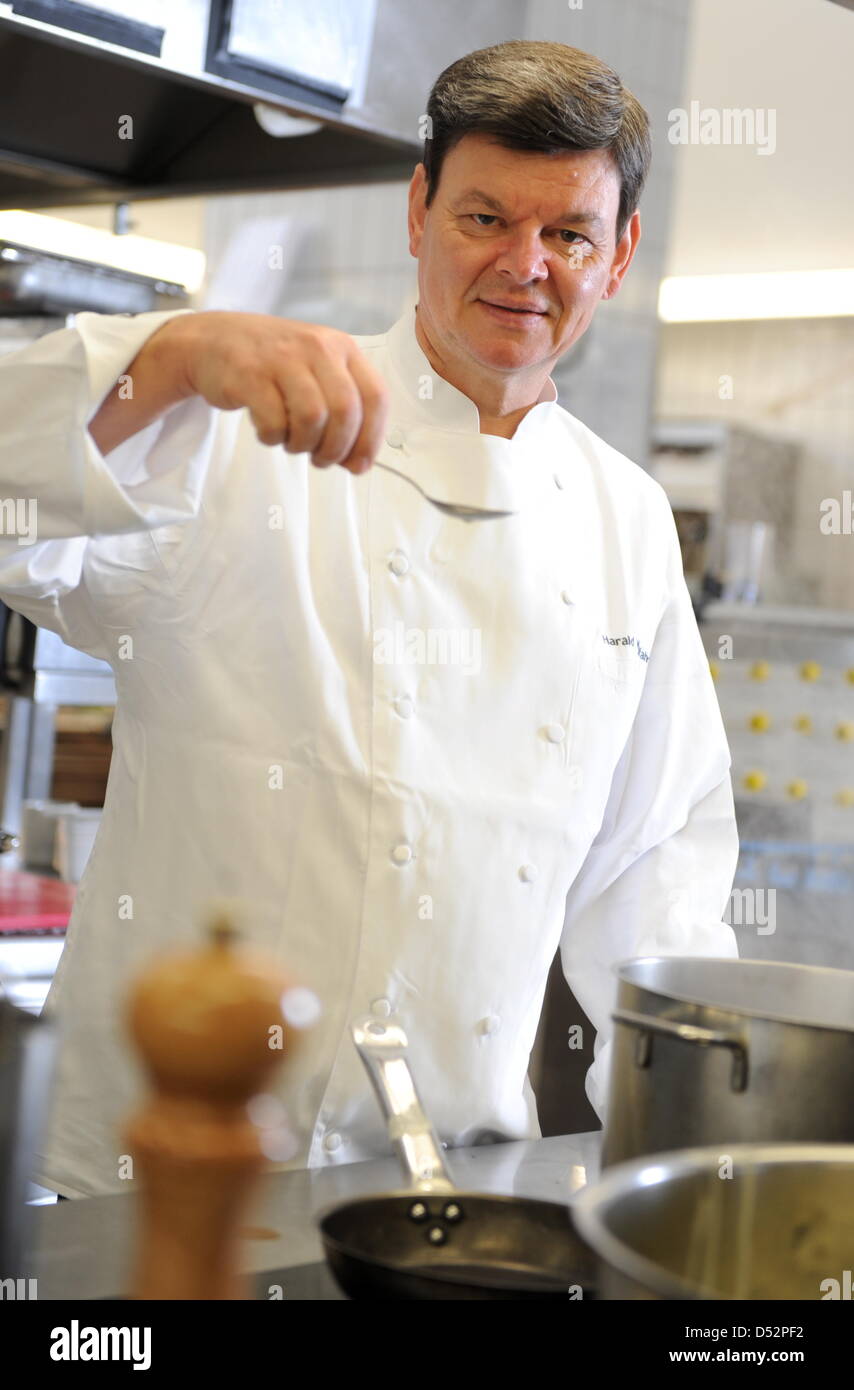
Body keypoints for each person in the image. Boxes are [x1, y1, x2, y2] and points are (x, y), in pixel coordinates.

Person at [0, 39, 738, 1198]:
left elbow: (655, 883)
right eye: (483, 217)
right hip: (149, 1178)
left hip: (439, 1195)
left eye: (567, 235)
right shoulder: (246, 421)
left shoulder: (626, 522)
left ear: (619, 253)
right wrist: (174, 354)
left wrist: (704, 1174)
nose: (522, 265)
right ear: (417, 208)